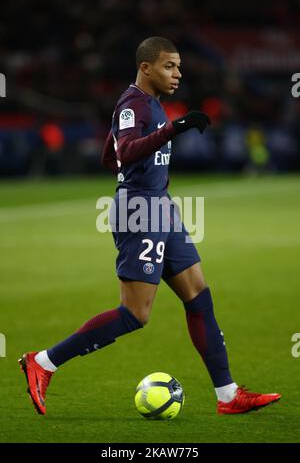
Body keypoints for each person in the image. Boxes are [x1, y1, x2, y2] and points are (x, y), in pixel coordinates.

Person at [19, 36, 281, 416]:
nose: (178, 73)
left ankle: (227, 395)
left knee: (198, 296)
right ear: (146, 68)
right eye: (169, 66)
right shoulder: (133, 103)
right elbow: (124, 152)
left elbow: (113, 155)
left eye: (179, 66)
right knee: (135, 315)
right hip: (141, 211)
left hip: (159, 207)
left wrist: (146, 179)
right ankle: (43, 362)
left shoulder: (150, 105)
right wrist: (171, 134)